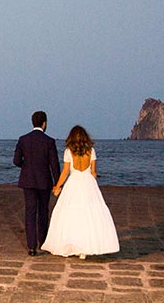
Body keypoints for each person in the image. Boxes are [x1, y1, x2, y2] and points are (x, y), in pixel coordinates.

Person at [41, 125, 119, 259]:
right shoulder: (91, 151)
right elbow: (94, 172)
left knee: (71, 214)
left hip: (74, 182)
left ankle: (74, 246)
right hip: (88, 182)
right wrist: (91, 179)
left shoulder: (68, 151)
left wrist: (57, 186)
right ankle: (86, 248)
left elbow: (65, 172)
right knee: (90, 214)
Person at [14, 111, 61, 256]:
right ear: (44, 123)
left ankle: (31, 246)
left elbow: (16, 161)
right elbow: (54, 165)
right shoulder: (49, 141)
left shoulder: (23, 139)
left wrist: (26, 166)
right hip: (44, 180)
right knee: (43, 211)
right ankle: (43, 242)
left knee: (30, 212)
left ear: (32, 122)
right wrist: (57, 183)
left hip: (28, 180)